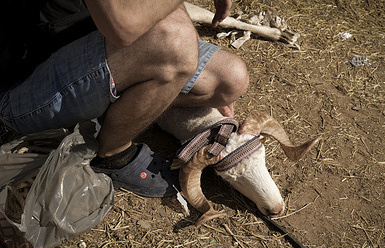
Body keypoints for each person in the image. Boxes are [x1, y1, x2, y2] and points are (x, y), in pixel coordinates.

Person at [0, 0, 249, 197]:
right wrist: (180, 54)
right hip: (21, 88)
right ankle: (112, 154)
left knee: (230, 79)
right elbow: (123, 26)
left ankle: (125, 105)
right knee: (174, 44)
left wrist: (189, 57)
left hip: (88, 47)